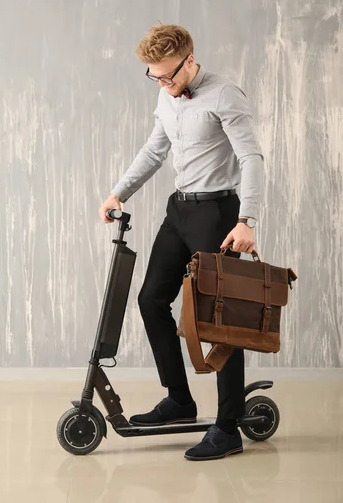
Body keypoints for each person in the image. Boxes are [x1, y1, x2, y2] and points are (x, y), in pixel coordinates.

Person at [98, 24, 264, 461]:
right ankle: (179, 400)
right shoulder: (165, 92)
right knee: (152, 300)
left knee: (219, 322)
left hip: (218, 215)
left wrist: (246, 220)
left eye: (169, 75)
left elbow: (251, 158)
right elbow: (156, 149)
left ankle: (228, 430)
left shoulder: (226, 94)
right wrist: (119, 191)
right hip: (179, 211)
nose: (163, 84)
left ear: (190, 60)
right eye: (154, 77)